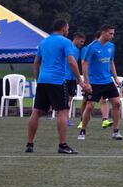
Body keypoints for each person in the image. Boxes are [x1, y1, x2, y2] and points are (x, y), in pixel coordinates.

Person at [25, 19, 88, 154]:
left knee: (36, 112)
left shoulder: (43, 41)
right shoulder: (65, 42)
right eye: (68, 28)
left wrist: (38, 80)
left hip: (43, 81)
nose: (68, 31)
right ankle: (63, 145)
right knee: (63, 111)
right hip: (57, 81)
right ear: (63, 28)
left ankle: (29, 144)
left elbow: (36, 63)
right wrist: (80, 80)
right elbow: (71, 62)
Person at [78, 24, 123, 140]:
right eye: (110, 33)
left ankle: (116, 131)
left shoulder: (111, 46)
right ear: (103, 32)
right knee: (90, 106)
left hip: (107, 81)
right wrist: (87, 82)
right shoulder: (92, 47)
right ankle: (82, 131)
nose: (112, 36)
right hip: (94, 82)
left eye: (113, 34)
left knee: (117, 103)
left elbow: (111, 62)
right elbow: (85, 64)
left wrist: (116, 78)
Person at [77, 31, 113, 129]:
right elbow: (83, 63)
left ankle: (105, 120)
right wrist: (86, 79)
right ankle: (82, 120)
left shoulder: (106, 47)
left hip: (102, 80)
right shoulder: (88, 48)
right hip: (90, 79)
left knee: (103, 99)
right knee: (86, 101)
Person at [65, 32, 85, 126]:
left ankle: (65, 118)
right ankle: (65, 119)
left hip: (71, 77)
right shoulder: (72, 49)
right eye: (81, 41)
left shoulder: (75, 49)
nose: (82, 44)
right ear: (76, 39)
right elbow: (72, 64)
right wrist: (77, 77)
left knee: (69, 98)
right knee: (68, 99)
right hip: (68, 77)